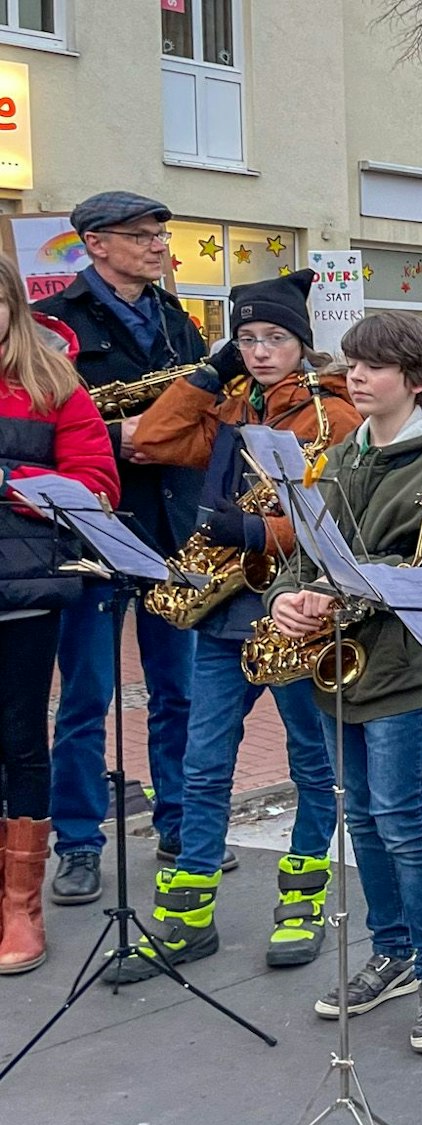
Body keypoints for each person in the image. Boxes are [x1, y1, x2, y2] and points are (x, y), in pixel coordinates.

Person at [108, 270, 362, 982]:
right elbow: (152, 439)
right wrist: (207, 370)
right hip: (222, 614)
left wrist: (258, 527)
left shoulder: (331, 415)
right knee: (202, 760)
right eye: (245, 338)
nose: (258, 350)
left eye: (273, 337)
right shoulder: (231, 401)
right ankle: (187, 918)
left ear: (301, 343)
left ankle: (304, 902)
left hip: (290, 611)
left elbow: (333, 521)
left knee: (313, 762)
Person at [267, 310, 422, 1053]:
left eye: (373, 365)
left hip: (395, 664)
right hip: (336, 664)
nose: (354, 374)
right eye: (352, 361)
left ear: (414, 380)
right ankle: (391, 949)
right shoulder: (346, 451)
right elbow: (306, 548)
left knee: (400, 815)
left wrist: (349, 592)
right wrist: (288, 596)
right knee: (359, 815)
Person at [33, 192, 207, 908]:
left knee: (178, 694)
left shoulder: (176, 320)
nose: (159, 245)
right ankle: (77, 842)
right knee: (84, 698)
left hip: (172, 527)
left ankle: (178, 827)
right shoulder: (53, 325)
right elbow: (41, 429)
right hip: (93, 529)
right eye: (142, 235)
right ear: (96, 244)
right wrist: (118, 439)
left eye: (162, 233)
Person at [0, 258, 120, 975]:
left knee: (19, 740)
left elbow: (95, 484)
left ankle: (21, 906)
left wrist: (11, 480)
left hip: (21, 595)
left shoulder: (51, 386)